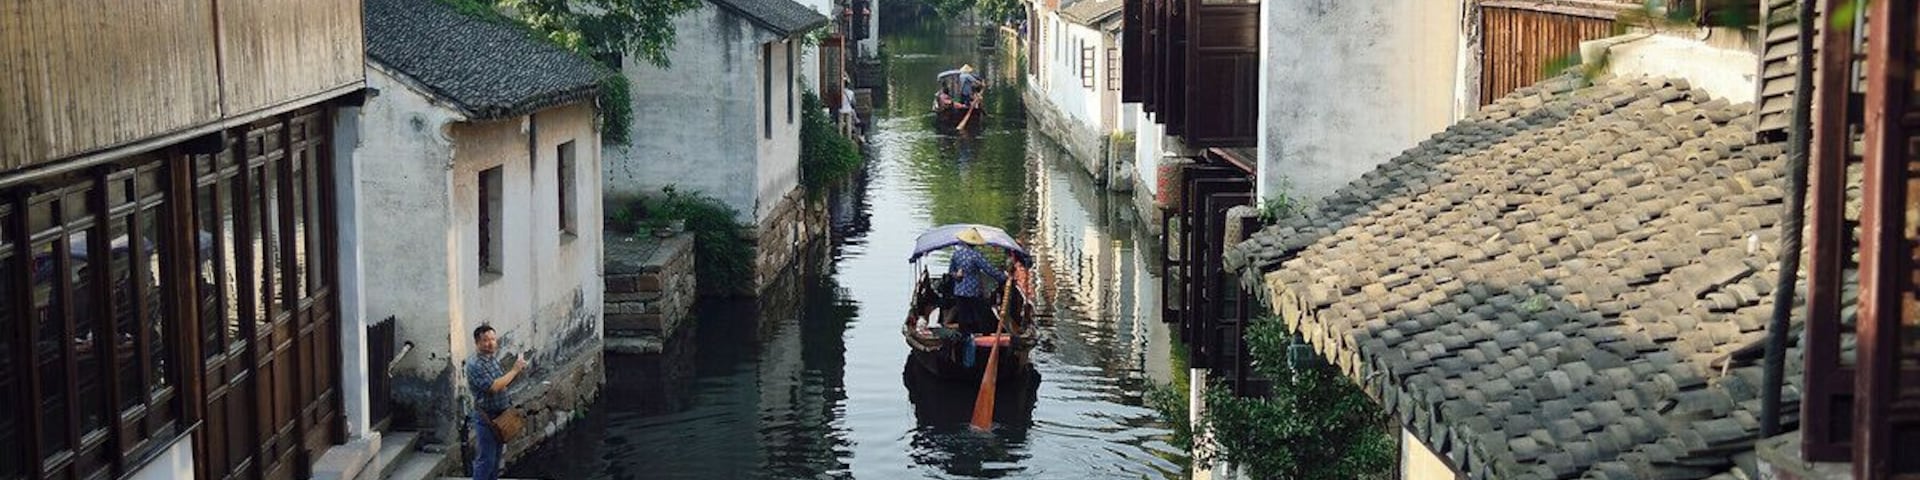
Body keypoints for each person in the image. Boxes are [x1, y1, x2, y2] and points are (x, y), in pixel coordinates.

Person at [466, 325, 528, 480]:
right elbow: (494, 387)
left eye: (493, 339)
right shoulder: (475, 364)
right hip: (487, 417)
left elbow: (503, 383)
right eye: (485, 340)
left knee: (495, 461)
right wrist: (514, 370)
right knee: (486, 460)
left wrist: (517, 372)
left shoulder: (492, 359)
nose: (491, 343)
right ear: (477, 342)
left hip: (501, 415)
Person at [947, 227, 1008, 334]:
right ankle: (979, 334)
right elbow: (989, 269)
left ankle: (964, 336)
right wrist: (1002, 278)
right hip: (973, 291)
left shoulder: (956, 255)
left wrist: (957, 275)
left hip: (959, 290)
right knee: (978, 314)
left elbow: (951, 272)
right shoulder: (976, 256)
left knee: (963, 315)